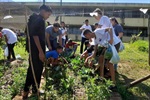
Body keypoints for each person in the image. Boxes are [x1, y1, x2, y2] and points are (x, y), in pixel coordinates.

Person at [23, 5, 52, 99]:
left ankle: (26, 91)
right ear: (43, 11)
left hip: (33, 49)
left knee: (31, 69)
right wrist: (40, 52)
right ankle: (35, 90)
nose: (48, 16)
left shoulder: (34, 18)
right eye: (48, 14)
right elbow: (35, 36)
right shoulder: (39, 20)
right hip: (36, 49)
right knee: (37, 69)